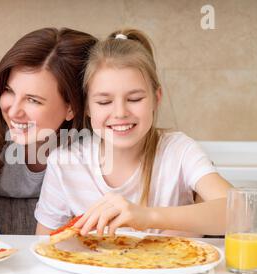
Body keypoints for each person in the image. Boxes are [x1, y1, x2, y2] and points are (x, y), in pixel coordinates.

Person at [34, 29, 232, 237]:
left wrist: (148, 217)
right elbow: (44, 244)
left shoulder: (179, 151)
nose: (120, 113)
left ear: (157, 98)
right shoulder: (64, 162)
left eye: (135, 99)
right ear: (87, 107)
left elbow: (243, 213)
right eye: (104, 102)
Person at [0, 27, 97, 234]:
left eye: (33, 100)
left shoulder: (95, 155)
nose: (13, 111)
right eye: (9, 91)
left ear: (72, 107)